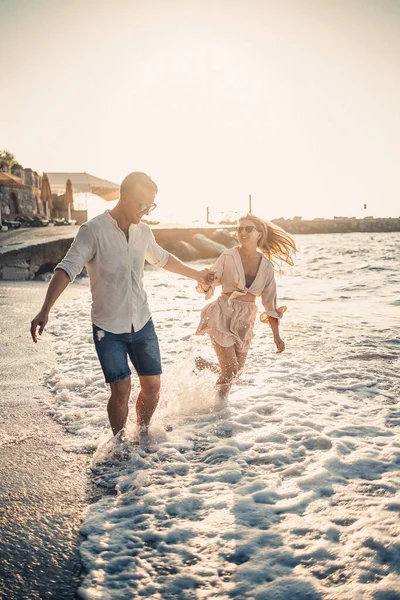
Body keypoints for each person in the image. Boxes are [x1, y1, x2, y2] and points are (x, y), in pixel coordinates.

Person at [30, 172, 214, 437]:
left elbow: (162, 259)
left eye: (151, 206)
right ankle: (118, 444)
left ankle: (142, 434)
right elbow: (67, 268)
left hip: (142, 321)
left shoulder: (144, 231)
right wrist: (45, 309)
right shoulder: (93, 231)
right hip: (108, 327)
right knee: (122, 388)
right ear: (124, 197)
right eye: (142, 205)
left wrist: (196, 274)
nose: (146, 211)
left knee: (152, 386)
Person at [195, 213, 296, 399]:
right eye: (240, 229)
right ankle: (218, 408)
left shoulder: (266, 266)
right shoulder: (228, 256)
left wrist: (277, 336)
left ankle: (205, 366)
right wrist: (207, 279)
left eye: (248, 229)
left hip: (245, 320)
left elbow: (270, 303)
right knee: (230, 370)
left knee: (235, 372)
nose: (243, 232)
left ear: (259, 233)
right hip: (223, 314)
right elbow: (212, 280)